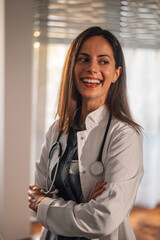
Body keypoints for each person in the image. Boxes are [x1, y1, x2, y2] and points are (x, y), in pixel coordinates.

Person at [28, 26, 143, 240]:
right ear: (72, 67)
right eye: (83, 59)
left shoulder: (124, 135)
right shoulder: (57, 129)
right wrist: (85, 206)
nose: (92, 68)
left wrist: (46, 205)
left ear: (116, 73)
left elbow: (103, 219)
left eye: (103, 61)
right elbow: (39, 190)